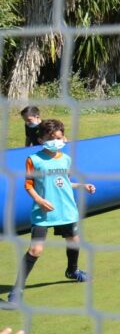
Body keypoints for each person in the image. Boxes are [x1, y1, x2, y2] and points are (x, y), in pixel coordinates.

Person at [7, 119, 96, 306]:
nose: (56, 141)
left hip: (66, 210)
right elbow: (28, 185)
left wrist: (83, 185)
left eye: (59, 137)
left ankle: (72, 271)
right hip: (43, 212)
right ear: (41, 140)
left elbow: (64, 182)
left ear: (64, 137)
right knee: (36, 250)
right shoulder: (34, 159)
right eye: (51, 138)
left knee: (74, 241)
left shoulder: (66, 159)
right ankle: (17, 290)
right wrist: (40, 200)